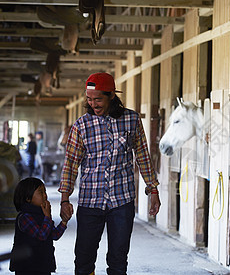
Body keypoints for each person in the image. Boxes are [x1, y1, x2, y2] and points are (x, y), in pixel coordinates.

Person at [59, 72, 161, 275]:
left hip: (121, 201)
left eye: (98, 99)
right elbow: (71, 164)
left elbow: (142, 155)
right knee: (84, 259)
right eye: (89, 99)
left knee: (118, 260)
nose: (93, 104)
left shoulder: (131, 120)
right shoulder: (81, 126)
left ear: (111, 95)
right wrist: (64, 199)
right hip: (90, 201)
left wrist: (153, 191)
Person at [9, 177, 69, 274]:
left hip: (43, 265)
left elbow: (54, 235)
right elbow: (42, 235)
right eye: (41, 192)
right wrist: (48, 217)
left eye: (45, 191)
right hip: (27, 267)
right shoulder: (24, 217)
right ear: (28, 198)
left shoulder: (42, 214)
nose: (45, 195)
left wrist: (64, 221)